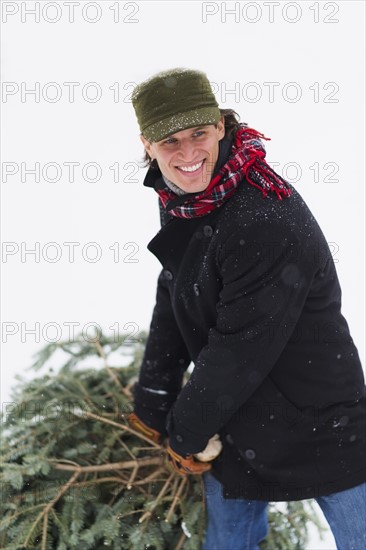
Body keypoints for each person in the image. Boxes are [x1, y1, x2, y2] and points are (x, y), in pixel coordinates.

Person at [128, 67, 366, 550]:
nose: (188, 153)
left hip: (319, 419)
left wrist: (185, 430)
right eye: (170, 141)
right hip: (237, 420)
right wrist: (154, 395)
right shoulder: (185, 194)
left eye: (199, 133)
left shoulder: (263, 217)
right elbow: (176, 286)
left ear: (220, 125)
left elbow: (240, 349)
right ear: (147, 144)